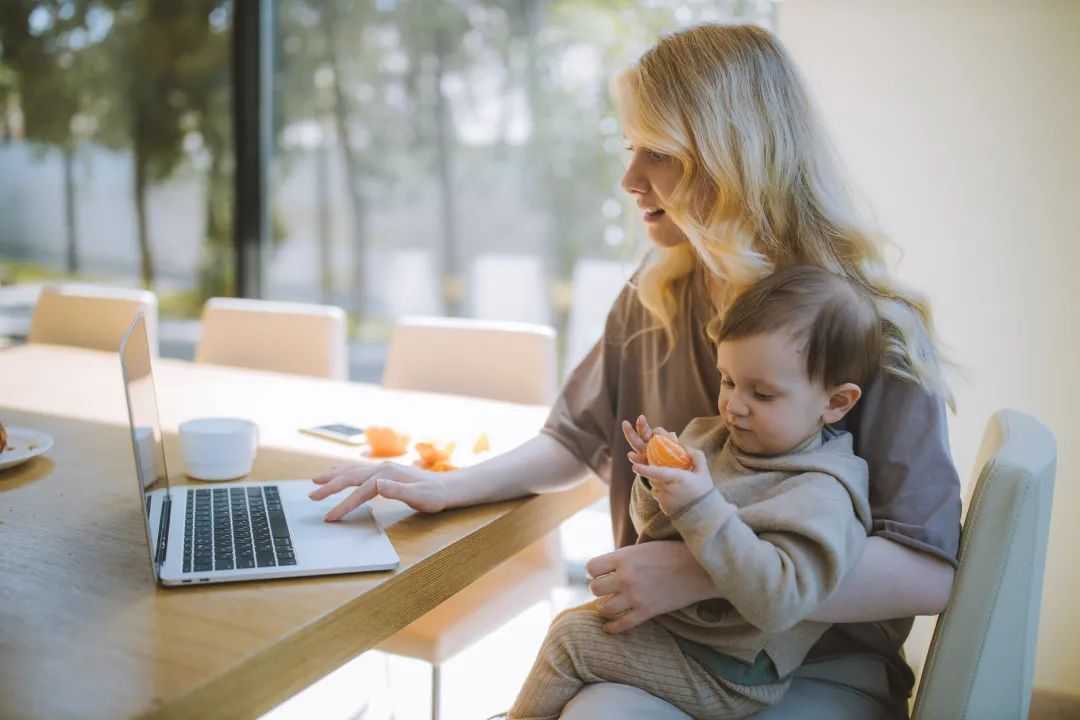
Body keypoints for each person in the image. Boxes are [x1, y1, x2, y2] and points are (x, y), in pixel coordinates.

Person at [310, 23, 960, 719]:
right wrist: (450, 486)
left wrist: (699, 570)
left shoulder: (868, 329)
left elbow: (925, 573)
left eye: (661, 154)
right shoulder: (656, 292)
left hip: (817, 666)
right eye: (629, 149)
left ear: (732, 157)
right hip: (674, 641)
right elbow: (575, 439)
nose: (629, 180)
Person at [506, 266, 880, 720]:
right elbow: (656, 530)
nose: (734, 406)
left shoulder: (822, 491)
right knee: (576, 625)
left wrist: (699, 504)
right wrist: (655, 481)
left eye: (762, 394)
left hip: (730, 672)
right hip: (682, 635)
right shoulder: (715, 437)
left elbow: (780, 601)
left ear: (836, 403)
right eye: (728, 381)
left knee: (570, 642)